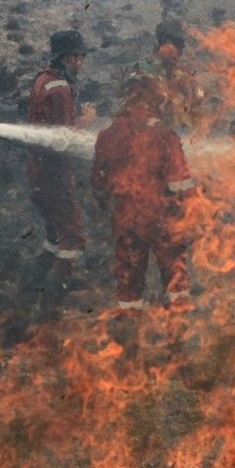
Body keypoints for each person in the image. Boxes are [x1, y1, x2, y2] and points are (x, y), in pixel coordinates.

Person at [90, 74, 197, 312]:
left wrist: (106, 204)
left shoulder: (108, 135)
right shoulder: (164, 134)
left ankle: (129, 326)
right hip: (161, 216)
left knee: (128, 277)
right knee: (174, 273)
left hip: (125, 217)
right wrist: (190, 215)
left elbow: (98, 182)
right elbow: (180, 182)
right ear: (153, 98)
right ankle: (178, 325)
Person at [24, 29, 97, 289]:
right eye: (77, 57)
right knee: (73, 235)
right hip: (54, 174)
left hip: (38, 171)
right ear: (65, 58)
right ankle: (55, 295)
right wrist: (86, 121)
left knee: (54, 235)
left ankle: (28, 287)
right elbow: (61, 138)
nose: (80, 63)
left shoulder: (43, 80)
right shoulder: (59, 90)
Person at [134, 19, 204, 132]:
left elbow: (195, 107)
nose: (180, 52)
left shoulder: (182, 74)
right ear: (165, 44)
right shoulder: (141, 71)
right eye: (179, 45)